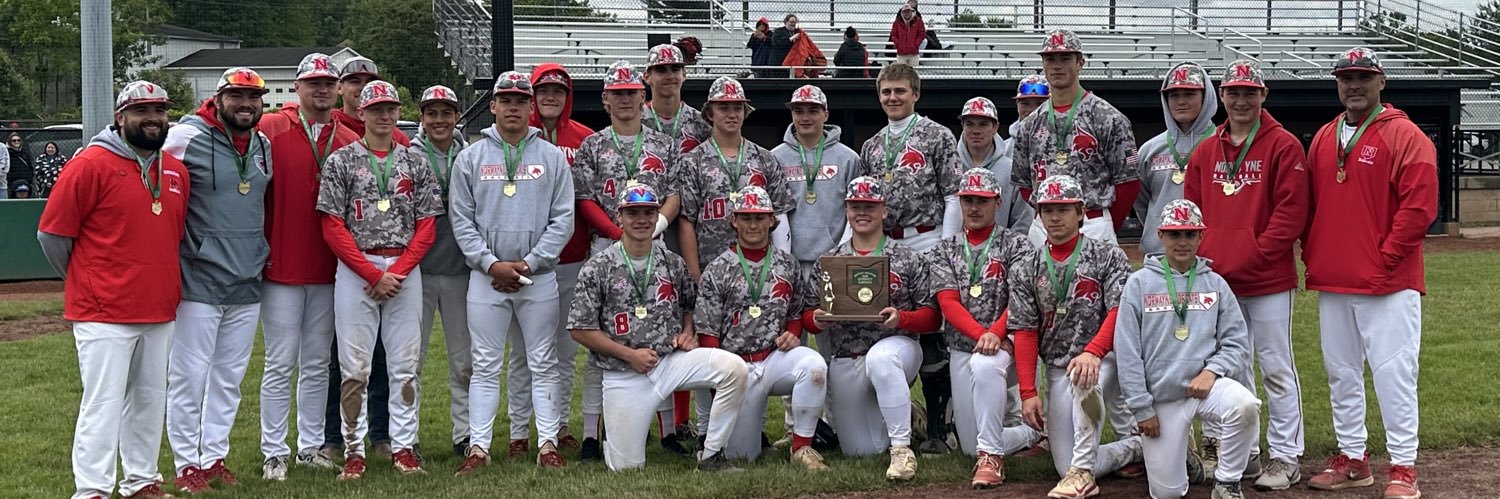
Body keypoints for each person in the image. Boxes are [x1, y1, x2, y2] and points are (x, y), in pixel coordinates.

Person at [40, 80, 189, 499]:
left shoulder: (175, 170)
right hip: (102, 310)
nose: (153, 119)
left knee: (149, 400)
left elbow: (174, 234)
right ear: (120, 117)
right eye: (142, 111)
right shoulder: (90, 164)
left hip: (159, 307)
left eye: (159, 111)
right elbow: (52, 235)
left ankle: (141, 480)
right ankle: (92, 489)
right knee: (103, 404)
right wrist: (86, 278)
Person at [1303, 47, 1436, 499]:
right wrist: (1314, 251)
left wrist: (1387, 256)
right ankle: (1354, 459)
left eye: (1362, 76)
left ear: (1382, 82)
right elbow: (1313, 203)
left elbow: (1419, 208)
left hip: (1388, 282)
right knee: (1341, 373)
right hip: (1334, 278)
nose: (1353, 84)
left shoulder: (1405, 135)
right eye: (1345, 77)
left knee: (1393, 374)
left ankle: (1403, 466)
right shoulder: (1324, 135)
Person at [1184, 59, 1310, 490]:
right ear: (1222, 96)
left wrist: (1254, 253)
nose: (1241, 100)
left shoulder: (1284, 145)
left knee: (1276, 365)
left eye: (1249, 92)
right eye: (1233, 92)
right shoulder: (1206, 149)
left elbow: (1291, 213)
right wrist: (1210, 260)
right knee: (1231, 367)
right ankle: (1245, 453)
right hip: (1221, 280)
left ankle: (1287, 456)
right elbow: (1193, 213)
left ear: (1263, 96)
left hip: (1268, 278)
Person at [567, 183, 749, 472]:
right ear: (619, 217)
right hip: (623, 373)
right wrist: (628, 355)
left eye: (648, 213)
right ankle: (615, 443)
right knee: (626, 469)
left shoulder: (672, 262)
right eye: (633, 213)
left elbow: (691, 304)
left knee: (734, 369)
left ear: (657, 218)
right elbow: (580, 328)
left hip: (669, 362)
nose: (641, 219)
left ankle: (712, 454)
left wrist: (688, 332)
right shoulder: (598, 266)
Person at [450, 71, 576, 475]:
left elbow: (563, 219)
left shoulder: (552, 157)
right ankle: (479, 447)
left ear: (531, 107)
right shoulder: (471, 157)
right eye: (505, 100)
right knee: (485, 365)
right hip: (486, 278)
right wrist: (490, 263)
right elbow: (461, 220)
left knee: (543, 361)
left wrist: (532, 262)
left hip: (537, 277)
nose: (513, 108)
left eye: (521, 101)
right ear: (493, 106)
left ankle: (548, 443)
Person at [317, 80, 443, 480]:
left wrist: (398, 271)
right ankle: (354, 451)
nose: (384, 116)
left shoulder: (414, 161)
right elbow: (332, 225)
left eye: (390, 108)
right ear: (361, 113)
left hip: (404, 267)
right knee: (355, 366)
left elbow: (427, 226)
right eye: (376, 109)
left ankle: (404, 448)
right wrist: (372, 272)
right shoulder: (341, 160)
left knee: (405, 364)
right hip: (359, 269)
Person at [160, 67, 274, 491]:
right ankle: (187, 464)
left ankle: (215, 456)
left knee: (228, 378)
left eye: (253, 98)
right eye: (237, 97)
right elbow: (146, 162)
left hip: (247, 279)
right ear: (219, 98)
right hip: (200, 280)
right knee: (189, 376)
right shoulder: (186, 136)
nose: (245, 105)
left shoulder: (262, 143)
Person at [571, 61, 686, 458]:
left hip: (653, 244)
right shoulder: (592, 144)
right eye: (617, 94)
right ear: (606, 99)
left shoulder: (665, 143)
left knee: (661, 334)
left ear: (643, 96)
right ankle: (590, 433)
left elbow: (673, 193)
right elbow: (584, 198)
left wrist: (658, 226)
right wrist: (618, 233)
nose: (625, 100)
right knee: (599, 343)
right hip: (608, 244)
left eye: (631, 93)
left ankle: (668, 430)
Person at [255, 53, 361, 476]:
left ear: (337, 90)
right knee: (280, 362)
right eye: (312, 82)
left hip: (328, 269)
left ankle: (311, 445)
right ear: (296, 88)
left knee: (318, 362)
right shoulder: (270, 129)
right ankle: (273, 451)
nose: (321, 89)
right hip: (280, 265)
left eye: (328, 83)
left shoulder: (349, 140)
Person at [1007, 174, 1143, 499]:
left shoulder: (1107, 255)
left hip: (1104, 360)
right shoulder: (1026, 266)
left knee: (1085, 378)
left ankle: (1084, 476)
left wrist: (1094, 351)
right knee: (1063, 463)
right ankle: (1136, 447)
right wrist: (1028, 391)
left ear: (1080, 211)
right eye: (1047, 209)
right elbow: (1025, 330)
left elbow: (1119, 312)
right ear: (1038, 214)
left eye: (1063, 209)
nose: (1054, 217)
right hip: (1058, 370)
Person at [1115, 199, 1260, 499]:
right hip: (1161, 399)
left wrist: (1212, 371)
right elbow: (1127, 352)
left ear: (1200, 236)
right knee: (1167, 493)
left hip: (1203, 389)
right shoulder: (1139, 283)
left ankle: (1228, 481)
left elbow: (1237, 341)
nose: (1182, 242)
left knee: (1245, 405)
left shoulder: (1216, 284)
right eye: (1174, 234)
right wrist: (1142, 409)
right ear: (1160, 235)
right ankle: (1185, 460)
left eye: (1190, 234)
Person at [803, 175, 939, 480]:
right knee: (860, 451)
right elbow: (807, 317)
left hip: (897, 348)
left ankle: (902, 450)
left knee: (882, 358)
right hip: (847, 354)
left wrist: (902, 318)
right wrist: (818, 319)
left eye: (870, 205)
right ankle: (908, 412)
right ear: (846, 210)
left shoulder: (907, 257)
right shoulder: (831, 262)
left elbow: (932, 318)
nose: (862, 212)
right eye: (855, 206)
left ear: (884, 210)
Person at [859, 62, 962, 455]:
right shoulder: (872, 145)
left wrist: (946, 247)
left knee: (934, 333)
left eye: (900, 91)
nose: (893, 98)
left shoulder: (936, 135)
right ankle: (898, 421)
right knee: (892, 329)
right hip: (887, 245)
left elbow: (952, 194)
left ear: (915, 94)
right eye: (886, 92)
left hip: (927, 237)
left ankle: (940, 428)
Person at [696, 185, 829, 469]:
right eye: (746, 217)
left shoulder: (787, 264)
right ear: (734, 220)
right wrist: (720, 387)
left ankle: (802, 447)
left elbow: (796, 311)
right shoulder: (718, 269)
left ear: (772, 220)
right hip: (736, 368)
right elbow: (707, 337)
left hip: (774, 359)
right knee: (742, 455)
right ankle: (744, 434)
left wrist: (793, 334)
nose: (753, 224)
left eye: (759, 217)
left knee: (814, 366)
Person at [930, 168, 1045, 488]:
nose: (974, 207)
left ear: (998, 202)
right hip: (964, 345)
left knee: (986, 366)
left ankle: (994, 453)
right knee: (969, 445)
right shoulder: (944, 247)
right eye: (968, 200)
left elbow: (1022, 299)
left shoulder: (1018, 245)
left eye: (982, 200)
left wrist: (997, 333)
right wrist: (983, 335)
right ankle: (1032, 433)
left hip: (1011, 343)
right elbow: (948, 302)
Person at [505, 63, 592, 458]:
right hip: (527, 264)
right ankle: (519, 431)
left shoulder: (585, 139)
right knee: (524, 352)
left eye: (559, 91)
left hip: (572, 258)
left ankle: (555, 426)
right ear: (532, 96)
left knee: (563, 350)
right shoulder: (520, 141)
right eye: (543, 91)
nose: (551, 97)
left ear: (568, 95)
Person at [1011, 29, 1141, 248]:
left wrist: (1104, 221)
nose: (1057, 65)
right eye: (1050, 58)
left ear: (1080, 62)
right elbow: (1024, 185)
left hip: (1092, 222)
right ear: (1043, 63)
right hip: (1044, 225)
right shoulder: (1029, 124)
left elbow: (1129, 183)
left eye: (1065, 58)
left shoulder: (1108, 117)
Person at [412, 85, 475, 460]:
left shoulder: (468, 156)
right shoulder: (408, 155)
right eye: (432, 113)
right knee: (411, 360)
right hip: (416, 271)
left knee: (463, 361)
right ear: (422, 116)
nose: (439, 120)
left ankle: (464, 434)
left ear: (456, 117)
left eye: (446, 113)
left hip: (459, 270)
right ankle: (408, 435)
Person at [679, 76, 793, 278]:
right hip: (711, 271)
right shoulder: (693, 161)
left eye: (737, 108)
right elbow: (687, 220)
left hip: (761, 272)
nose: (732, 114)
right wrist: (695, 277)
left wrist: (781, 267)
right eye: (724, 107)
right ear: (710, 113)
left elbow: (780, 214)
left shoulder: (764, 158)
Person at [1135, 62, 1218, 256]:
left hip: (1210, 255)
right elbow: (1142, 203)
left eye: (1189, 94)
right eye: (1174, 95)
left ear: (1206, 98)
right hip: (1159, 254)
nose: (1181, 101)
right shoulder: (1149, 150)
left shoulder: (1223, 145)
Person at [959, 97, 1031, 233]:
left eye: (983, 124)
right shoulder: (950, 167)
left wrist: (1009, 250)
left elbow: (1022, 221)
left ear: (995, 127)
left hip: (1002, 250)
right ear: (962, 126)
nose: (976, 130)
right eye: (970, 124)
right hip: (955, 249)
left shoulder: (1012, 168)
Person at [643, 44, 712, 156]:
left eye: (675, 70)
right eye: (661, 70)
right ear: (647, 77)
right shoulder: (635, 121)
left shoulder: (701, 122)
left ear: (684, 74)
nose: (670, 76)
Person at [332, 57, 411, 146]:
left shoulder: (397, 137)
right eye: (355, 82)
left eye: (370, 82)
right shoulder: (329, 128)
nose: (364, 88)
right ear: (339, 88)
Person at [8, 132, 33, 198]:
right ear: (10, 142)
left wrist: (30, 178)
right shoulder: (8, 154)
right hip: (13, 184)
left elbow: (30, 167)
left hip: (26, 183)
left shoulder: (25, 154)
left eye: (18, 140)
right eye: (14, 140)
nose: (17, 142)